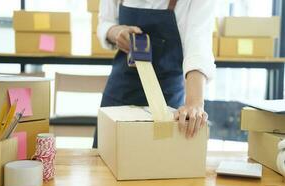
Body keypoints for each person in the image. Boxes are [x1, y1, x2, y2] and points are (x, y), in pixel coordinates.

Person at [93, 0, 216, 148]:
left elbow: (198, 42)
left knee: (160, 162)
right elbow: (105, 22)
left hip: (166, 99)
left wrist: (194, 103)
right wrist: (115, 32)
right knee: (104, 161)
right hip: (120, 91)